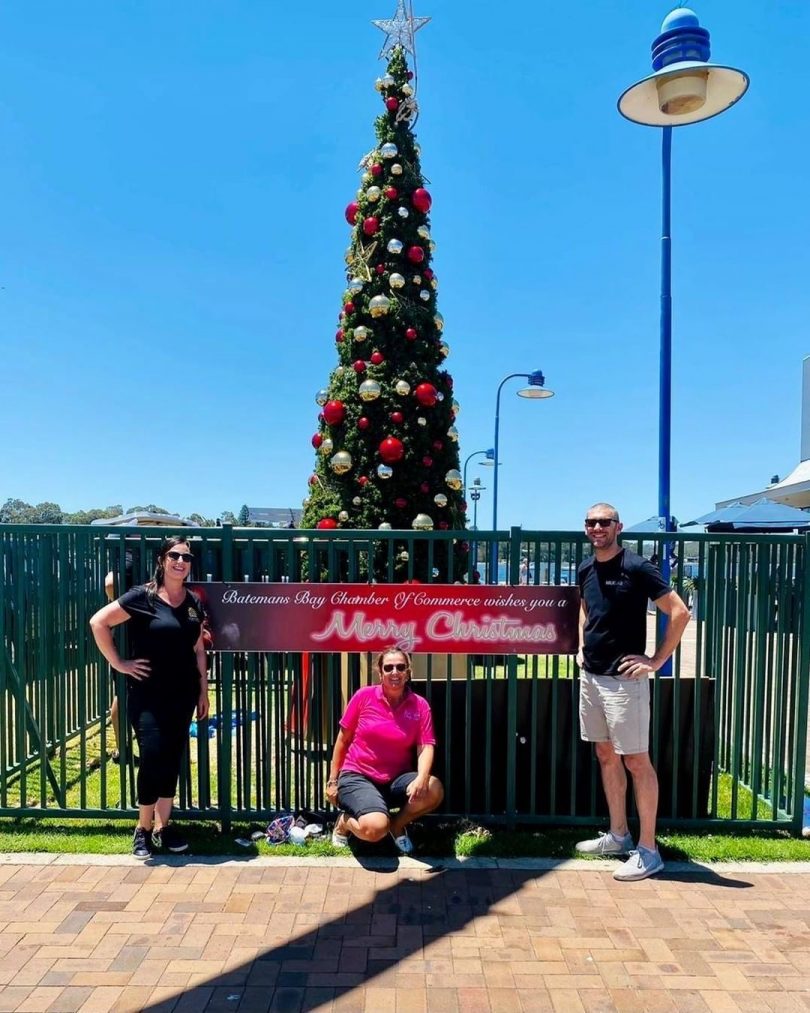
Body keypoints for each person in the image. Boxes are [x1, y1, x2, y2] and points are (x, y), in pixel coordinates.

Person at [576, 503, 690, 881]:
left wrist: (656, 661)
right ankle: (619, 835)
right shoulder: (585, 569)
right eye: (591, 522)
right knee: (606, 755)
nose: (597, 528)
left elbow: (679, 612)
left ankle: (649, 849)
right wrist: (580, 646)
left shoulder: (637, 567)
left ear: (618, 527)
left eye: (604, 522)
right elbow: (584, 608)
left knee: (637, 762)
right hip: (592, 677)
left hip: (626, 682)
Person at [90, 536, 209, 859]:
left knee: (171, 758)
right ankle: (142, 828)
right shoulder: (142, 596)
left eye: (186, 557)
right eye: (174, 555)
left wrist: (203, 692)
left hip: (182, 694)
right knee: (153, 755)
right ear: (162, 560)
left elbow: (198, 649)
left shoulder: (192, 602)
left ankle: (164, 826)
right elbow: (99, 623)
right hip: (147, 694)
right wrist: (119, 663)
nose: (180, 561)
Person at [326, 646, 444, 855]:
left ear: (408, 672)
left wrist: (422, 778)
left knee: (434, 788)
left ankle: (397, 825)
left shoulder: (420, 705)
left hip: (395, 779)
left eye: (400, 667)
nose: (394, 672)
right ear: (380, 673)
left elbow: (426, 745)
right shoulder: (364, 697)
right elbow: (342, 740)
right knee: (374, 829)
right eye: (388, 668)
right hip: (358, 776)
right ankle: (344, 823)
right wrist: (333, 781)